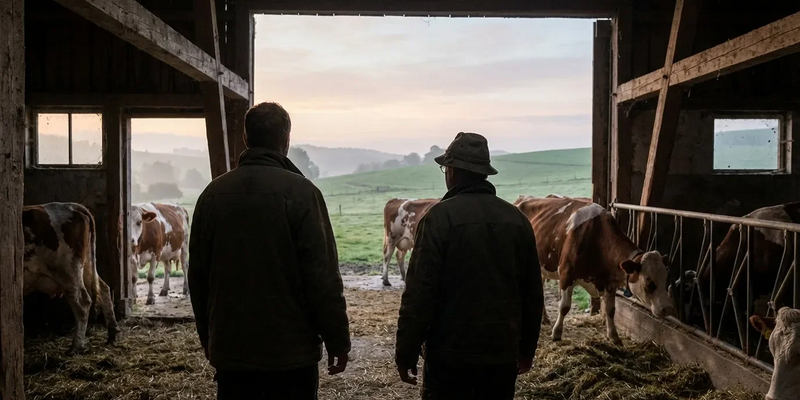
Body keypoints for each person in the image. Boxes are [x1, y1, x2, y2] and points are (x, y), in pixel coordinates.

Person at [188, 102, 350, 400]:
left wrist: (209, 338)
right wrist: (338, 341)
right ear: (286, 140)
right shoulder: (303, 193)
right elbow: (323, 277)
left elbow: (197, 277)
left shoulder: (212, 195)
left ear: (246, 139)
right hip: (291, 354)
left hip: (232, 351)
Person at [395, 132, 544, 399]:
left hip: (450, 357)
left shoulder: (438, 218)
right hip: (501, 355)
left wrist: (406, 352)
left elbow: (419, 292)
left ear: (452, 171)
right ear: (483, 173)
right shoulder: (517, 219)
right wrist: (526, 350)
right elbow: (532, 293)